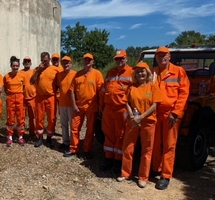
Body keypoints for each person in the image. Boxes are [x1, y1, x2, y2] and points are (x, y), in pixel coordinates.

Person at [116, 62, 162, 188]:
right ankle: (125, 173)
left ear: (147, 72)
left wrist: (141, 117)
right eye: (137, 72)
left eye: (142, 71)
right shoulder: (131, 87)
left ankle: (143, 177)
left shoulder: (153, 87)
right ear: (135, 74)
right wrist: (131, 116)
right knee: (128, 146)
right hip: (133, 121)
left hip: (148, 121)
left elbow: (155, 105)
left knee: (147, 149)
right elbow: (127, 102)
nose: (140, 73)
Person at [151, 46, 190, 190]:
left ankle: (165, 175)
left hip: (171, 114)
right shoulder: (153, 72)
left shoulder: (179, 72)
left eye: (164, 55)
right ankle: (156, 168)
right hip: (155, 113)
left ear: (169, 56)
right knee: (155, 142)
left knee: (169, 145)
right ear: (156, 58)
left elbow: (184, 94)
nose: (162, 58)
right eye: (159, 56)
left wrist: (176, 112)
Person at [63, 53, 104, 159]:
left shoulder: (97, 74)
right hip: (78, 107)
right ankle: (73, 149)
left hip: (92, 107)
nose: (87, 61)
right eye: (85, 59)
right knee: (75, 128)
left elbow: (100, 91)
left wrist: (100, 106)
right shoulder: (77, 74)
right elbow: (71, 91)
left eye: (89, 60)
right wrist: (74, 105)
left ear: (93, 62)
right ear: (83, 61)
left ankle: (87, 150)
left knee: (90, 129)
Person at [99, 49, 133, 172]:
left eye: (122, 58)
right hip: (108, 108)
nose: (119, 61)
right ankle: (108, 158)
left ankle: (118, 161)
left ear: (126, 59)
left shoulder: (131, 73)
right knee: (108, 133)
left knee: (121, 134)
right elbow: (103, 91)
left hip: (122, 109)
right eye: (117, 59)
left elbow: (135, 93)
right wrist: (101, 106)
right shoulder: (110, 73)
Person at [30, 52, 59, 148]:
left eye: (46, 60)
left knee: (51, 118)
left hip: (51, 97)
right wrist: (39, 70)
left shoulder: (55, 69)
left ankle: (49, 138)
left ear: (50, 59)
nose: (44, 62)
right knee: (39, 118)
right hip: (40, 97)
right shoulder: (37, 69)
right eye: (42, 60)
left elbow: (59, 83)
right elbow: (31, 81)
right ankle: (40, 138)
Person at [3, 56, 26, 146]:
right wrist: (11, 94)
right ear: (11, 66)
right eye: (14, 65)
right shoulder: (7, 76)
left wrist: (18, 94)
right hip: (10, 98)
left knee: (21, 118)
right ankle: (10, 137)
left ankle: (20, 137)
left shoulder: (22, 76)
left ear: (19, 66)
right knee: (10, 118)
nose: (15, 67)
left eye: (17, 66)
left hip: (20, 97)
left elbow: (23, 87)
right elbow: (5, 88)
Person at [57, 56, 76, 149]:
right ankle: (66, 142)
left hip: (71, 104)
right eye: (64, 63)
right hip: (62, 103)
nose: (66, 64)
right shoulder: (60, 75)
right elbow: (58, 88)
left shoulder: (75, 74)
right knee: (64, 124)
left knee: (73, 125)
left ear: (71, 63)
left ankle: (73, 144)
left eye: (67, 62)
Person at [20, 56, 36, 136]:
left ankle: (32, 133)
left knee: (32, 116)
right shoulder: (19, 72)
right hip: (21, 97)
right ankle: (21, 133)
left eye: (28, 61)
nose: (27, 63)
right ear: (23, 63)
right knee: (21, 116)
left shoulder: (33, 72)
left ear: (31, 63)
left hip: (32, 97)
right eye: (25, 61)